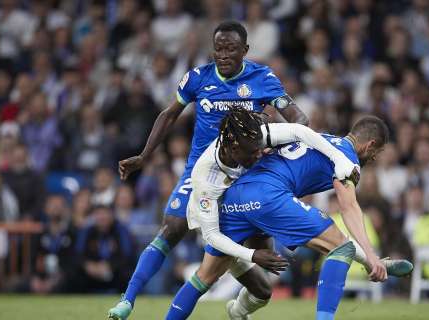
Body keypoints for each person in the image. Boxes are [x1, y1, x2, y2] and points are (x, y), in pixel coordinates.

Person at [108, 20, 308, 319]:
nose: (223, 55)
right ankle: (127, 300)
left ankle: (238, 289)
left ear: (245, 50)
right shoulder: (197, 78)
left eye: (231, 49)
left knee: (262, 284)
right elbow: (168, 115)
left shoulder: (262, 78)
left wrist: (273, 146)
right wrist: (144, 155)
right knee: (171, 228)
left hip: (246, 178)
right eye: (218, 49)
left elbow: (299, 119)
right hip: (200, 172)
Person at [164, 116, 413, 319]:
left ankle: (233, 313)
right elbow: (348, 207)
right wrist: (370, 254)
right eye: (377, 152)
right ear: (369, 146)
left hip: (235, 195)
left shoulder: (322, 139)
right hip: (269, 196)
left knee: (204, 277)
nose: (375, 158)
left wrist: (373, 261)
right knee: (342, 248)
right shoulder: (348, 159)